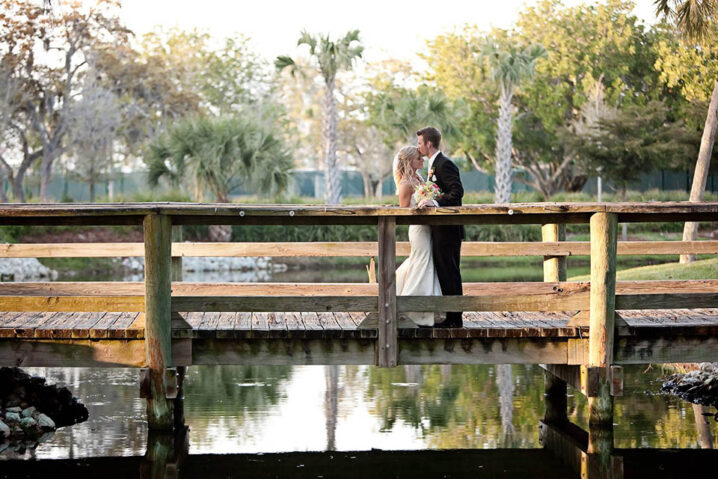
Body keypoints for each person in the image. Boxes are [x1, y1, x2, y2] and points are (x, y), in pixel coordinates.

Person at [416, 126, 464, 327]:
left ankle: (455, 319)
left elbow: (457, 193)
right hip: (440, 230)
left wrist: (434, 202)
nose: (418, 147)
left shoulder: (445, 164)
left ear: (429, 143)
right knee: (445, 271)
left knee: (450, 271)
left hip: (448, 229)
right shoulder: (432, 165)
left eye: (420, 143)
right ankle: (451, 316)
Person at [393, 145, 442, 327]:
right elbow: (404, 210)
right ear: (409, 161)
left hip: (428, 226)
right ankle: (411, 307)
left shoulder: (420, 178)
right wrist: (419, 207)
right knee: (421, 259)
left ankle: (428, 308)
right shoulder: (406, 183)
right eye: (418, 159)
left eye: (422, 158)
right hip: (418, 228)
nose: (422, 161)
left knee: (427, 260)